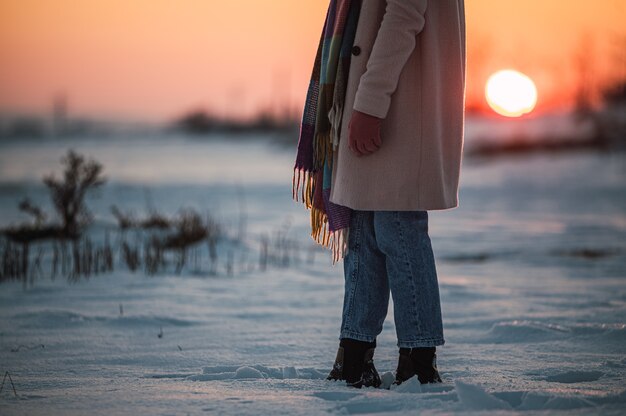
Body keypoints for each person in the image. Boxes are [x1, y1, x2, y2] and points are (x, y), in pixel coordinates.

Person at [322, 0, 467, 388]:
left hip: (396, 103)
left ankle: (419, 363)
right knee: (365, 226)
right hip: (384, 100)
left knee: (397, 227)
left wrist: (370, 102)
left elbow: (404, 13)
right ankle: (354, 356)